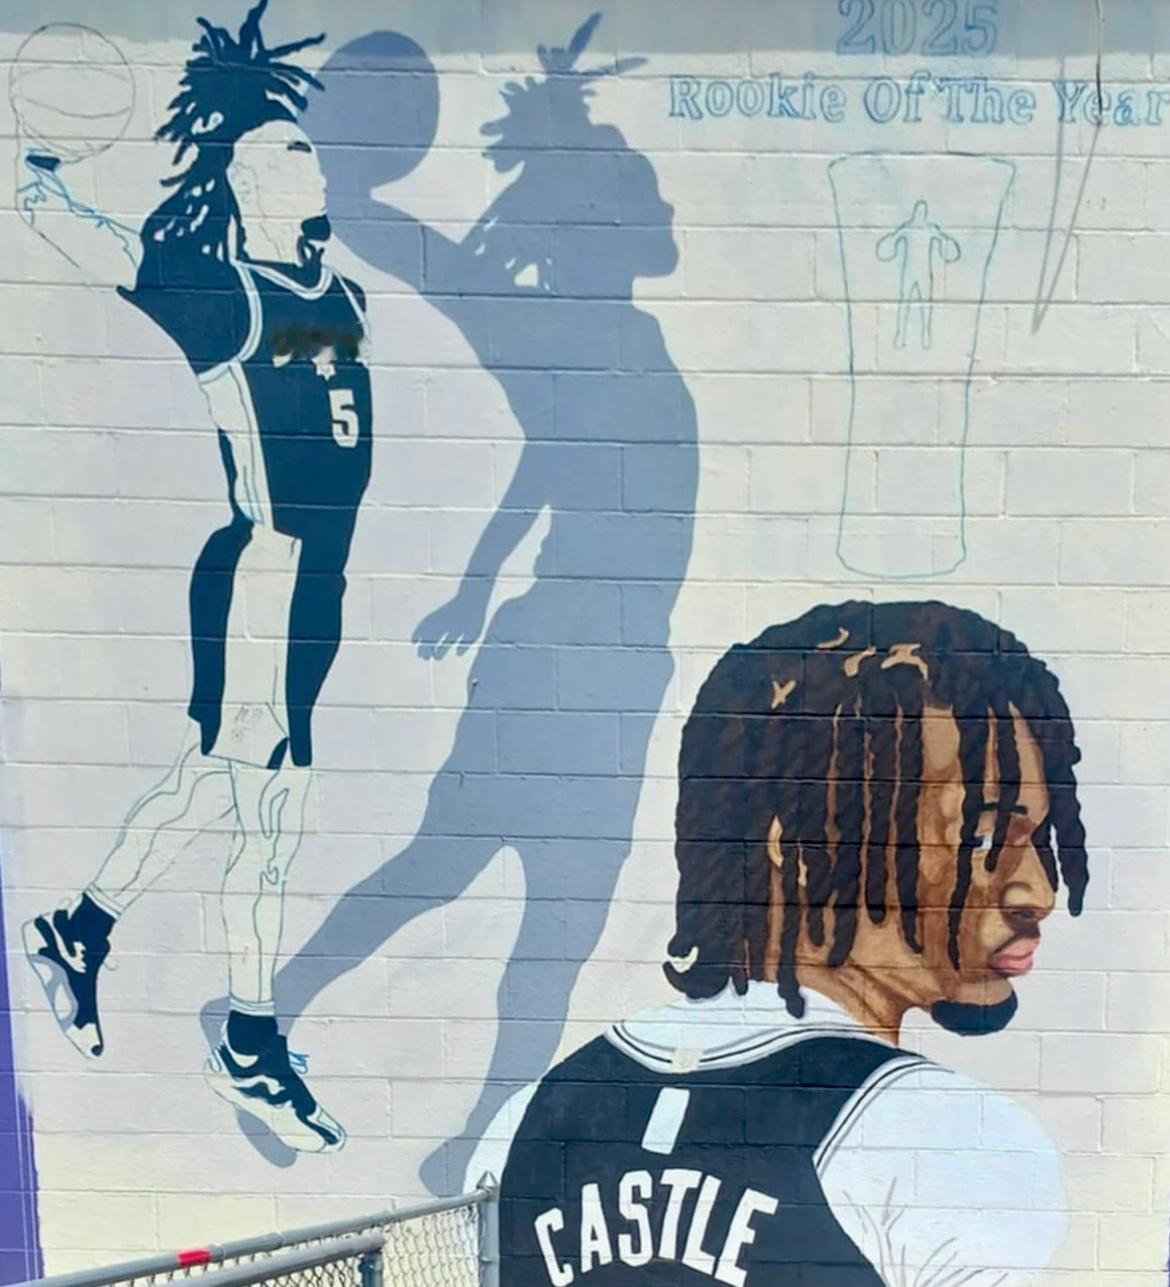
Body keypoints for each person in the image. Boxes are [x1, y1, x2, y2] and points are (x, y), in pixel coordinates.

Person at [271, 13, 697, 1190]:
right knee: (457, 871)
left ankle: (474, 1138)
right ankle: (272, 1017)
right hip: (566, 661)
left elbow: (556, 459)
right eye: (633, 195)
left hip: (616, 669)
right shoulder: (559, 329)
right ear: (587, 226)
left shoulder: (613, 341)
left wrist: (473, 577)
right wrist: (344, 193)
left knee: (543, 925)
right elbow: (447, 273)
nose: (658, 209)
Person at [471, 600, 1089, 1285]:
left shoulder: (524, 1123)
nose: (1038, 891)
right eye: (984, 835)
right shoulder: (947, 1139)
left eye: (1037, 839)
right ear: (797, 847)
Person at [16, 0, 371, 1153]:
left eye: (306, 149)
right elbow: (116, 255)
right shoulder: (227, 295)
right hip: (266, 569)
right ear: (248, 186)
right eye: (281, 155)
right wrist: (36, 188)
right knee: (270, 814)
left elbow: (327, 404)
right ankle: (249, 1043)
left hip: (318, 587)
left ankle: (79, 930)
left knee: (221, 784)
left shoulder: (341, 301)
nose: (307, 163)